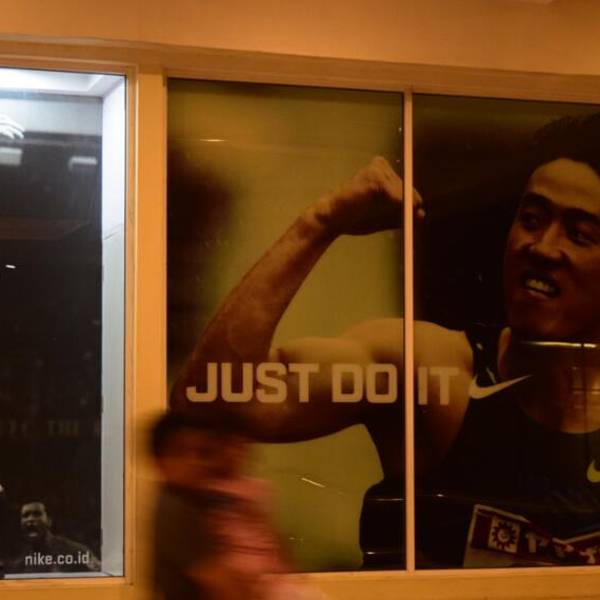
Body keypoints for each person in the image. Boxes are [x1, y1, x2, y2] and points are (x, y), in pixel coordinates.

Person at [170, 113, 600, 568]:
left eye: (580, 235)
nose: (542, 247)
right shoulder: (434, 376)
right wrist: (319, 223)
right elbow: (209, 402)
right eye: (531, 219)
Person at [150, 411, 321, 600]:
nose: (194, 462)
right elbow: (223, 585)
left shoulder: (195, 499)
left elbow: (266, 530)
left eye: (202, 453)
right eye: (181, 452)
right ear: (160, 460)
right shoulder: (175, 510)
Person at [9, 500, 100, 574]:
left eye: (37, 514)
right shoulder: (19, 563)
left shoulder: (77, 551)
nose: (30, 519)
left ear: (49, 521)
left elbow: (98, 578)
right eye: (25, 515)